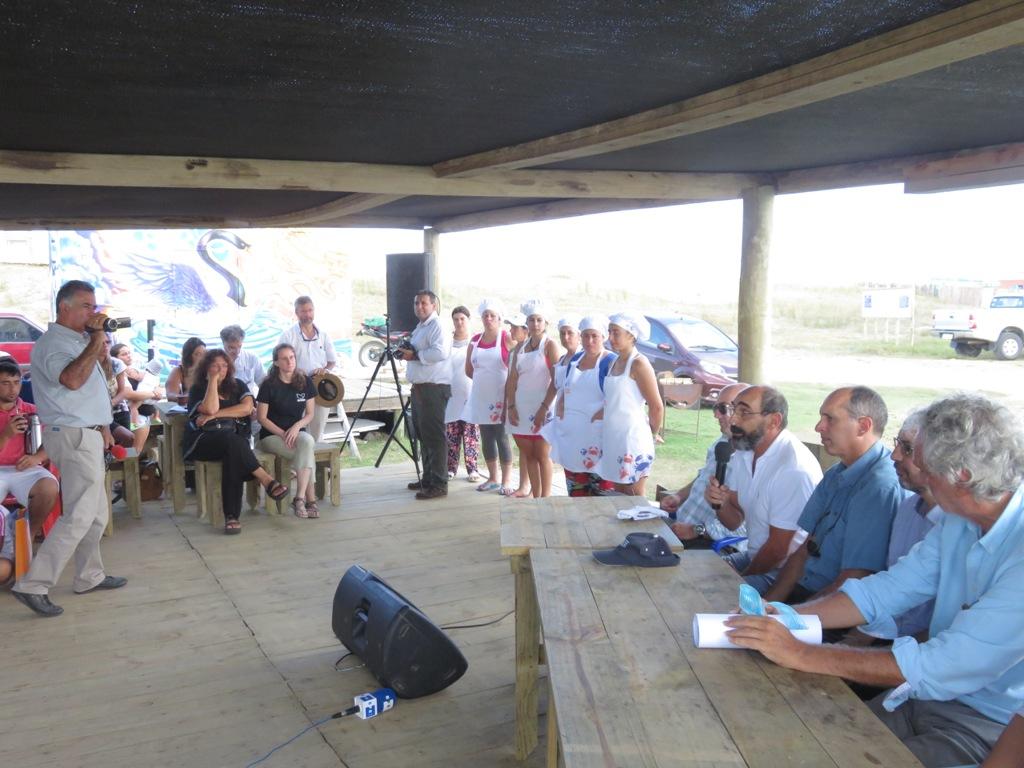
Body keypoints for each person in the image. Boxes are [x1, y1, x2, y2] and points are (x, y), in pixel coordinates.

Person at [725, 394, 1024, 768]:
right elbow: (886, 590)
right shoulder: (960, 519)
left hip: (987, 724)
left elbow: (945, 664)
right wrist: (788, 617)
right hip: (921, 697)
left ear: (960, 477)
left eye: (925, 467)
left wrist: (801, 652)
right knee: (800, 743)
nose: (913, 469)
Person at [12, 280, 126, 617]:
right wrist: (94, 340)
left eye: (94, 306)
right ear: (65, 307)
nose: (94, 312)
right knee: (79, 514)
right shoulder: (53, 343)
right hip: (73, 434)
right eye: (87, 306)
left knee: (95, 512)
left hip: (88, 432)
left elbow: (95, 387)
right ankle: (33, 584)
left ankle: (89, 574)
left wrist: (104, 425)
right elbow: (71, 380)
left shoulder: (79, 341)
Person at [763, 386, 905, 604]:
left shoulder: (879, 487)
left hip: (833, 606)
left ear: (863, 426)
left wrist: (791, 615)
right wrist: (768, 605)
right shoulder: (836, 473)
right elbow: (803, 552)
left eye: (830, 419)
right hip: (803, 591)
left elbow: (857, 578)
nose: (819, 427)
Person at [705, 385, 823, 594]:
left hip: (786, 573)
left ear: (774, 421)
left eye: (744, 412)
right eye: (733, 410)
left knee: (716, 593)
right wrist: (720, 503)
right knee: (696, 574)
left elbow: (778, 549)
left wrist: (738, 580)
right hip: (755, 555)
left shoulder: (793, 469)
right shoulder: (745, 451)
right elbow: (734, 522)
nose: (733, 420)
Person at [184, 349, 288, 534]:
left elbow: (247, 408)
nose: (220, 369)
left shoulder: (238, 385)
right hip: (203, 441)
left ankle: (232, 517)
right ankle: (266, 479)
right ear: (206, 367)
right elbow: (210, 407)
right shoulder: (198, 389)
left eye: (224, 365)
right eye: (215, 365)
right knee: (233, 442)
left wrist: (216, 415)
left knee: (233, 451)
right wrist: (213, 382)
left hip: (232, 441)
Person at [873, 409, 944, 639]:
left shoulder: (961, 523)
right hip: (885, 635)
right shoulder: (906, 509)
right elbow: (891, 586)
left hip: (923, 651)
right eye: (897, 444)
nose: (894, 455)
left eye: (907, 448)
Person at [662, 381, 749, 544]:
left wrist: (697, 530)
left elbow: (744, 526)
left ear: (743, 413)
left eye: (723, 409)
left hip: (707, 543)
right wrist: (678, 496)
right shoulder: (722, 443)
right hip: (679, 525)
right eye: (716, 409)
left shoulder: (752, 461)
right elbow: (703, 476)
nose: (716, 415)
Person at [545, 315, 615, 496]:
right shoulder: (574, 360)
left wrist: (601, 414)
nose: (589, 341)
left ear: (604, 337)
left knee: (602, 494)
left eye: (594, 336)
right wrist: (560, 406)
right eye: (585, 336)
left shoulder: (610, 362)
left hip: (598, 439)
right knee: (577, 492)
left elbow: (616, 399)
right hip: (573, 438)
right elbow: (564, 387)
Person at [597, 312, 663, 496]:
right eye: (609, 332)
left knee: (633, 495)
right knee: (618, 494)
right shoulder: (614, 361)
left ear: (631, 335)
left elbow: (656, 406)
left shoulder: (639, 364)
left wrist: (653, 434)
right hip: (614, 438)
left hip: (632, 439)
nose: (610, 338)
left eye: (616, 333)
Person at [398, 290, 452, 500]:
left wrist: (416, 355)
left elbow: (441, 352)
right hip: (421, 388)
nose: (419, 307)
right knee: (424, 435)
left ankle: (439, 483)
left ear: (433, 305)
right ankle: (428, 478)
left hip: (434, 388)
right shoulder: (421, 327)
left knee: (435, 436)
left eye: (423, 303)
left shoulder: (438, 326)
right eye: (416, 303)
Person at [256, 344, 318, 518]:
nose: (289, 361)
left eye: (292, 357)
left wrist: (297, 426)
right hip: (272, 436)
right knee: (306, 452)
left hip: (297, 434)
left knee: (306, 443)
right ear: (276, 362)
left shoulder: (304, 381)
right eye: (284, 358)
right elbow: (262, 418)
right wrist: (283, 433)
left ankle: (298, 498)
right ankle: (310, 500)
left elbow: (310, 413)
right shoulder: (268, 385)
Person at [0, 358, 59, 540]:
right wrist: (7, 434)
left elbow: (55, 438)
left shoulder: (31, 410)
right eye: (5, 383)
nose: (12, 389)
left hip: (25, 468)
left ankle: (28, 536)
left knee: (49, 487)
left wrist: (38, 456)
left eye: (16, 383)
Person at [506, 300, 559, 498]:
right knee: (528, 454)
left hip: (542, 408)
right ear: (526, 322)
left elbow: (556, 381)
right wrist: (511, 406)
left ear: (545, 322)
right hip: (521, 407)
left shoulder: (550, 345)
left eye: (539, 320)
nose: (535, 324)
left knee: (542, 455)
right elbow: (512, 380)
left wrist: (544, 408)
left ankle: (546, 498)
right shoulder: (520, 348)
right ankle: (536, 498)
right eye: (531, 320)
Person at [465, 299, 515, 494]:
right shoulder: (475, 340)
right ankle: (493, 478)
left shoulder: (506, 338)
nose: (488, 319)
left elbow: (515, 366)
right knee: (485, 437)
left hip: (500, 397)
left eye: (492, 315)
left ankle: (507, 480)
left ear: (499, 318)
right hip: (480, 396)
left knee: (501, 437)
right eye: (485, 315)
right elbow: (469, 370)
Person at [278, 296, 337, 441]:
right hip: (296, 385)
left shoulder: (323, 334)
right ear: (296, 313)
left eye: (310, 310)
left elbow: (332, 361)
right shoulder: (288, 335)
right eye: (303, 311)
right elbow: (281, 359)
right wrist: (295, 371)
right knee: (296, 425)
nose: (307, 315)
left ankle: (315, 460)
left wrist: (324, 370)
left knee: (318, 427)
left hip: (320, 385)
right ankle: (298, 458)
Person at [534, 315, 581, 473]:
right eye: (562, 333)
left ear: (579, 335)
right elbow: (555, 386)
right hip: (562, 418)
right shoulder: (562, 360)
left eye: (570, 333)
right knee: (567, 461)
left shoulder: (585, 359)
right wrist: (543, 408)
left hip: (579, 419)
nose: (566, 337)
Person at [445, 305, 480, 482]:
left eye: (462, 319)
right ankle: (450, 468)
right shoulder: (447, 342)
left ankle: (473, 469)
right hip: (451, 395)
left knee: (470, 434)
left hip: (471, 394)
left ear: (468, 320)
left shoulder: (475, 342)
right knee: (451, 434)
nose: (459, 322)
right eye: (456, 319)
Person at [504, 311, 532, 497]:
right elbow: (510, 380)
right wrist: (509, 403)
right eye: (510, 326)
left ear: (525, 330)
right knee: (522, 446)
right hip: (516, 403)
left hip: (532, 404)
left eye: (515, 327)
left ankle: (534, 489)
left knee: (535, 449)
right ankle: (523, 486)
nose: (511, 330)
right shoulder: (514, 351)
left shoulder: (537, 350)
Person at [220, 324, 265, 396]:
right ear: (223, 343)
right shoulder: (215, 361)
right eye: (231, 347)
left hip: (250, 400)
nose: (237, 351)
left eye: (239, 346)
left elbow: (262, 383)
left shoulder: (252, 358)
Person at [165, 336, 207, 404]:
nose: (203, 357)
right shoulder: (178, 371)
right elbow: (170, 395)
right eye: (198, 354)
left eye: (205, 354)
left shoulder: (209, 371)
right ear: (188, 356)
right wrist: (183, 397)